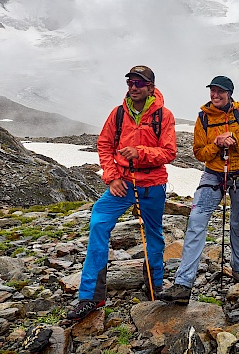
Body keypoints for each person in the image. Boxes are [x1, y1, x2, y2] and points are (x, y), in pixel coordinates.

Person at [68, 65, 177, 320]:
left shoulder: (164, 115)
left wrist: (141, 152)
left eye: (139, 83)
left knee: (154, 235)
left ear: (150, 87)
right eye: (130, 82)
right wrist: (112, 177)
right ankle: (91, 297)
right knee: (98, 223)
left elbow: (169, 152)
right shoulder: (118, 114)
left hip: (152, 185)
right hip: (123, 184)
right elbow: (104, 145)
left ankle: (154, 284)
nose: (133, 87)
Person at [165, 75, 239, 305]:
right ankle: (183, 284)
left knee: (238, 224)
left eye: (220, 92)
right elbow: (199, 153)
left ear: (230, 93)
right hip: (214, 174)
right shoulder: (203, 118)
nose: (215, 95)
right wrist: (217, 144)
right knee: (196, 220)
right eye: (212, 91)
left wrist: (234, 140)